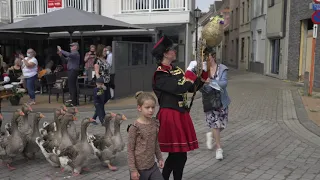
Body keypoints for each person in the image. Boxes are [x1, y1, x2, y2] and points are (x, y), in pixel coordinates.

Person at [151, 35, 208, 180]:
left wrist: (202, 74)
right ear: (165, 53)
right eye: (172, 50)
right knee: (176, 154)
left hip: (180, 114)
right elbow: (180, 87)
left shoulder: (176, 70)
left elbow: (190, 88)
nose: (175, 52)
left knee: (181, 155)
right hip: (170, 115)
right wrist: (189, 71)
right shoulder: (160, 74)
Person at [200, 47, 230, 160]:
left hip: (221, 101)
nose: (205, 60)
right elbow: (199, 85)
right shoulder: (203, 70)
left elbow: (224, 83)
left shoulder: (222, 68)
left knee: (223, 124)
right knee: (216, 125)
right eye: (203, 58)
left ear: (212, 56)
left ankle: (211, 135)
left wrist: (211, 82)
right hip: (209, 101)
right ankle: (219, 149)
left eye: (207, 57)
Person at [127, 91, 164, 180]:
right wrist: (133, 170)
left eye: (153, 107)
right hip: (139, 169)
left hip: (152, 166)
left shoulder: (155, 123)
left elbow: (155, 143)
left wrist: (160, 158)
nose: (151, 110)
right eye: (147, 107)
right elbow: (130, 150)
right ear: (139, 108)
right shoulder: (135, 127)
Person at [92, 44, 111, 123]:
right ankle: (102, 118)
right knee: (101, 101)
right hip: (101, 83)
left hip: (107, 81)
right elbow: (96, 73)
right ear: (100, 51)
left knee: (106, 98)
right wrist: (100, 84)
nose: (106, 52)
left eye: (106, 51)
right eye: (104, 51)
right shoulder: (97, 61)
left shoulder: (104, 59)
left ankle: (94, 117)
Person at [58, 42, 80, 107]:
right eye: (70, 46)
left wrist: (61, 50)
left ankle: (73, 102)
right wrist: (61, 55)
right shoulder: (73, 54)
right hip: (71, 70)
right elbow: (65, 60)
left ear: (76, 47)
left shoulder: (75, 53)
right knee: (72, 86)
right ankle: (75, 101)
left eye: (72, 46)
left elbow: (69, 55)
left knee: (72, 86)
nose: (71, 47)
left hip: (73, 70)